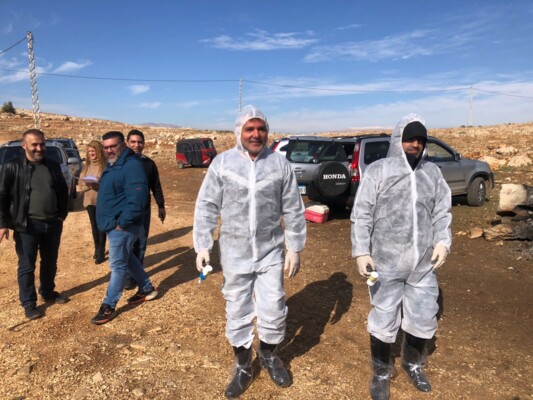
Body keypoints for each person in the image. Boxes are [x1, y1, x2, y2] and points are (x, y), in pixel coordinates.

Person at [193, 105, 307, 398]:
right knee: (238, 308)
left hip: (271, 251)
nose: (256, 134)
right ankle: (243, 365)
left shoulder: (279, 164)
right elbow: (207, 206)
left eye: (261, 129)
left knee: (274, 307)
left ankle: (269, 355)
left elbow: (293, 208)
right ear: (239, 132)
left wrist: (294, 246)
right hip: (235, 252)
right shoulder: (222, 164)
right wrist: (203, 245)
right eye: (250, 129)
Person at [351, 114, 452, 399]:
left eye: (420, 140)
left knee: (423, 315)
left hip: (422, 264)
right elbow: (362, 213)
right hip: (384, 262)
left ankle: (413, 364)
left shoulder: (432, 173)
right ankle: (381, 372)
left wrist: (443, 241)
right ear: (398, 140)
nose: (415, 144)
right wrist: (361, 251)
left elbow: (442, 211)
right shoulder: (379, 171)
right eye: (409, 139)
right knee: (383, 316)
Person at [0, 129, 69, 320]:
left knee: (50, 262)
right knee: (26, 266)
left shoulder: (52, 165)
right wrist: (3, 223)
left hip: (52, 224)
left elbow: (63, 191)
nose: (39, 148)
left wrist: (61, 215)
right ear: (24, 146)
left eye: (42, 144)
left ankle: (47, 292)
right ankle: (29, 303)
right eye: (34, 145)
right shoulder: (12, 166)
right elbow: (2, 196)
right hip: (26, 226)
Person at [91, 131, 158, 325]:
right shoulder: (113, 164)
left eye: (113, 146)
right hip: (113, 223)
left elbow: (138, 198)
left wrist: (122, 224)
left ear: (123, 145)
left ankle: (108, 305)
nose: (109, 150)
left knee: (118, 266)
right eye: (106, 147)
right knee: (127, 258)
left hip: (122, 226)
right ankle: (147, 288)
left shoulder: (131, 165)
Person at [122, 129, 166, 289]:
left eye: (140, 142)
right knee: (125, 244)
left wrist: (161, 205)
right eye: (133, 142)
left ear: (144, 144)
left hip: (143, 211)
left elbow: (156, 186)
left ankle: (135, 274)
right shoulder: (120, 163)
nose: (136, 145)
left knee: (140, 243)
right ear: (127, 143)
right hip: (124, 210)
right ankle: (126, 275)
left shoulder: (149, 164)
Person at [78, 140, 107, 264]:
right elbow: (80, 184)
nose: (91, 153)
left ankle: (101, 251)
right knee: (94, 226)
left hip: (101, 200)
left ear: (99, 151)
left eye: (94, 151)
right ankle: (97, 248)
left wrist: (98, 186)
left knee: (101, 226)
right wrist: (87, 185)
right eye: (89, 151)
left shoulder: (105, 166)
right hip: (89, 200)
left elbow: (108, 184)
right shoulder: (86, 167)